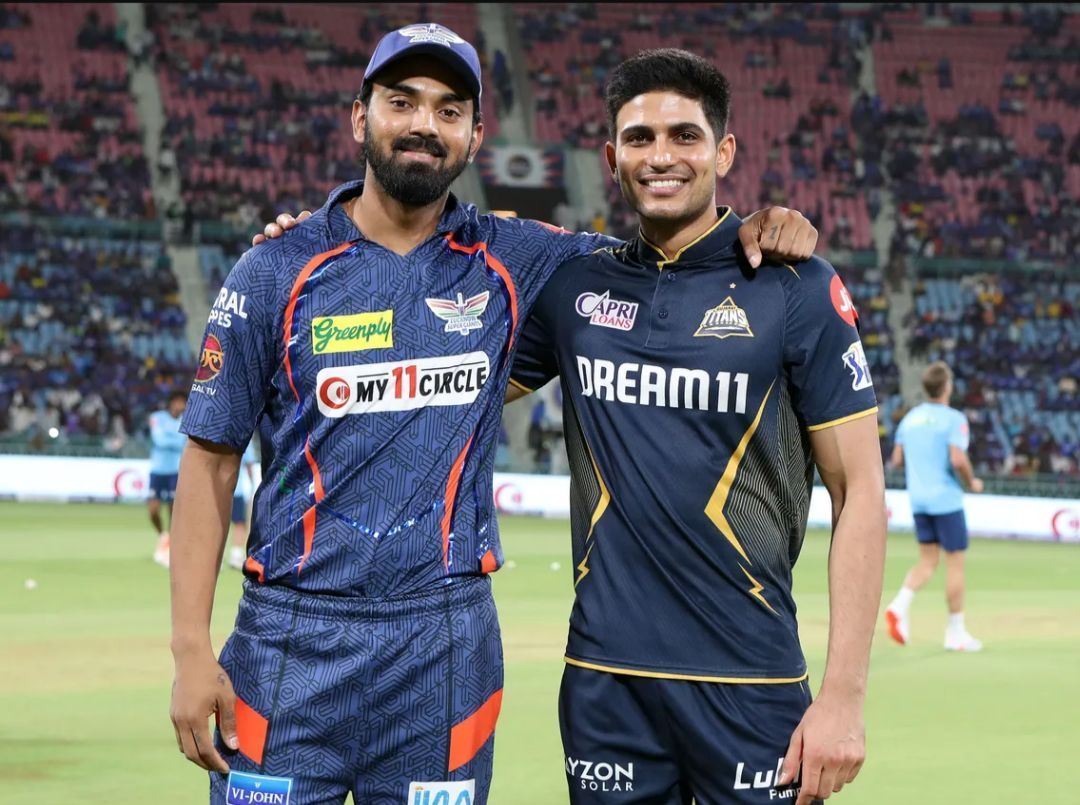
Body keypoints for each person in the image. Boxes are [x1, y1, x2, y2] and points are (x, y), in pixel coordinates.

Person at [175, 24, 818, 805]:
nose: (422, 124)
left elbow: (664, 252)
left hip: (443, 641)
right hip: (288, 634)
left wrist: (756, 225)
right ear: (358, 117)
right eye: (400, 102)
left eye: (449, 111)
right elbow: (208, 462)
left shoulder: (522, 259)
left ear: (476, 135)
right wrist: (189, 653)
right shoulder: (275, 267)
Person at [506, 49, 886, 804]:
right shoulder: (573, 288)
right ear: (612, 158)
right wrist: (318, 239)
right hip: (606, 686)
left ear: (724, 150)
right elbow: (446, 386)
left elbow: (861, 491)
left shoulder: (796, 288)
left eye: (684, 135)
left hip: (753, 682)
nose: (662, 156)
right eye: (640, 140)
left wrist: (843, 694)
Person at [884, 361, 984, 652]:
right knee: (955, 563)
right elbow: (957, 459)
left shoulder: (910, 418)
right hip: (946, 498)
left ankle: (899, 605)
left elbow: (897, 460)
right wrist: (972, 481)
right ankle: (956, 633)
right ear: (947, 387)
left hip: (919, 499)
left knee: (927, 561)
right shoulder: (954, 419)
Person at [147, 389, 187, 568]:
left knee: (173, 510)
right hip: (158, 469)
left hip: (175, 470)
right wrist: (176, 439)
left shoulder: (186, 420)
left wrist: (171, 438)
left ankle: (169, 545)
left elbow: (182, 442)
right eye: (177, 401)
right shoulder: (157, 417)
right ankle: (163, 536)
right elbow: (158, 440)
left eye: (183, 402)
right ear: (171, 402)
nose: (180, 405)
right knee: (153, 510)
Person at [226, 439, 260, 571]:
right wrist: (252, 484)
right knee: (240, 523)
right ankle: (235, 555)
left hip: (221, 489)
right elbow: (249, 465)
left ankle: (219, 556)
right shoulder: (246, 440)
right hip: (236, 489)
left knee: (219, 523)